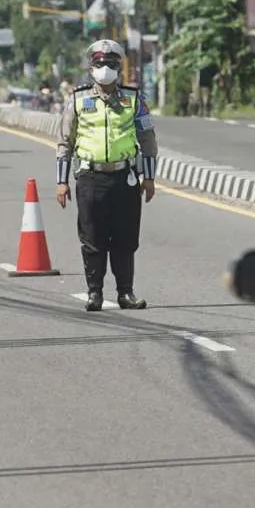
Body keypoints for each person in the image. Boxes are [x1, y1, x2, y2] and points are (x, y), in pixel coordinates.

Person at [55, 39, 158, 311]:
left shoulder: (134, 99)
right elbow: (65, 142)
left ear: (119, 68)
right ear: (91, 68)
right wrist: (61, 182)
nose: (105, 69)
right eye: (99, 63)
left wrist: (149, 178)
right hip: (90, 178)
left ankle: (126, 293)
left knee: (125, 239)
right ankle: (95, 293)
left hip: (125, 178)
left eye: (111, 64)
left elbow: (147, 139)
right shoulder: (77, 100)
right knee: (92, 238)